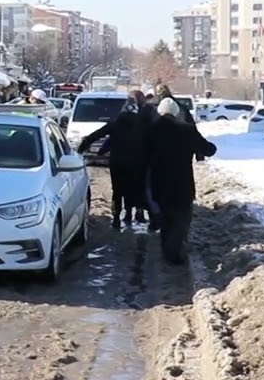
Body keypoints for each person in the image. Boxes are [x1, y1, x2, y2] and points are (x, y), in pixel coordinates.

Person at [142, 97, 217, 264]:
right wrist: (210, 147)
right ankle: (173, 251)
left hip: (159, 183)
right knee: (181, 219)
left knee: (166, 219)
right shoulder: (187, 130)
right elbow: (208, 149)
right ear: (177, 112)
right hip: (182, 183)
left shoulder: (150, 131)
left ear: (159, 112)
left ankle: (167, 252)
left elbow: (142, 156)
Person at [76, 90, 147, 229]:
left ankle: (116, 217)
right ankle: (128, 213)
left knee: (118, 189)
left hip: (117, 162)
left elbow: (94, 136)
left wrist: (80, 149)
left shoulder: (115, 124)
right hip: (136, 162)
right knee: (132, 187)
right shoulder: (142, 126)